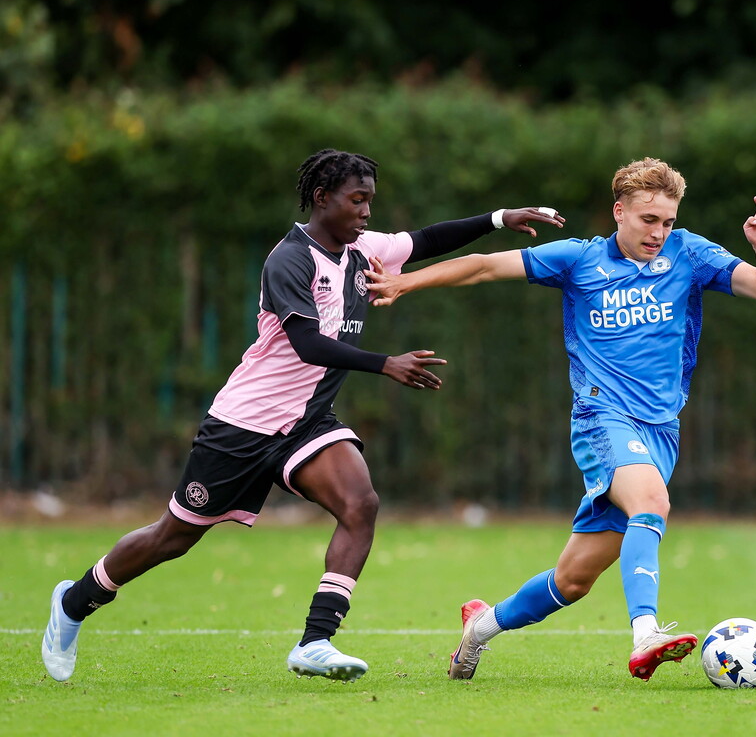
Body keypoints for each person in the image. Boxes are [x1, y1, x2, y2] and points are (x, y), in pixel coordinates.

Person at [41, 148, 564, 684]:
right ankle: (74, 602)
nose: (365, 213)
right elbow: (307, 343)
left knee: (361, 504)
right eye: (356, 200)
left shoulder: (366, 249)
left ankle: (315, 642)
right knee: (172, 538)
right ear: (322, 199)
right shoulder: (289, 259)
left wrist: (500, 218)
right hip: (244, 424)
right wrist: (385, 364)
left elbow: (427, 240)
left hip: (308, 422)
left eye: (370, 202)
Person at [365, 157, 756, 681]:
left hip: (661, 431)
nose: (659, 233)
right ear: (619, 212)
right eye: (648, 220)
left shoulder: (692, 254)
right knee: (652, 503)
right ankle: (645, 633)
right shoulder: (579, 260)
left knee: (573, 580)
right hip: (601, 418)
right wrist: (405, 283)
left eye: (668, 222)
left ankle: (481, 626)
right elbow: (482, 266)